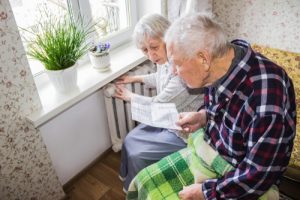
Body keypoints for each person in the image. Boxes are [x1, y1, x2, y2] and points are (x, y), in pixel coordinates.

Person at [126, 13, 296, 200]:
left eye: (177, 63)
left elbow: (259, 174)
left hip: (240, 177)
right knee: (143, 181)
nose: (173, 71)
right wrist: (204, 116)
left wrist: (206, 192)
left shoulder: (266, 98)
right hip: (212, 151)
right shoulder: (221, 63)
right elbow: (231, 110)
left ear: (203, 59)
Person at [114, 13, 204, 192]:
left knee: (139, 154)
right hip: (167, 119)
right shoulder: (164, 59)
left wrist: (130, 97)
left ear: (168, 38)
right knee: (129, 139)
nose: (150, 55)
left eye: (153, 47)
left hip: (182, 130)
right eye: (145, 50)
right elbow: (160, 77)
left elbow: (158, 103)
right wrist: (135, 78)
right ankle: (128, 180)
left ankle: (140, 189)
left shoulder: (180, 67)